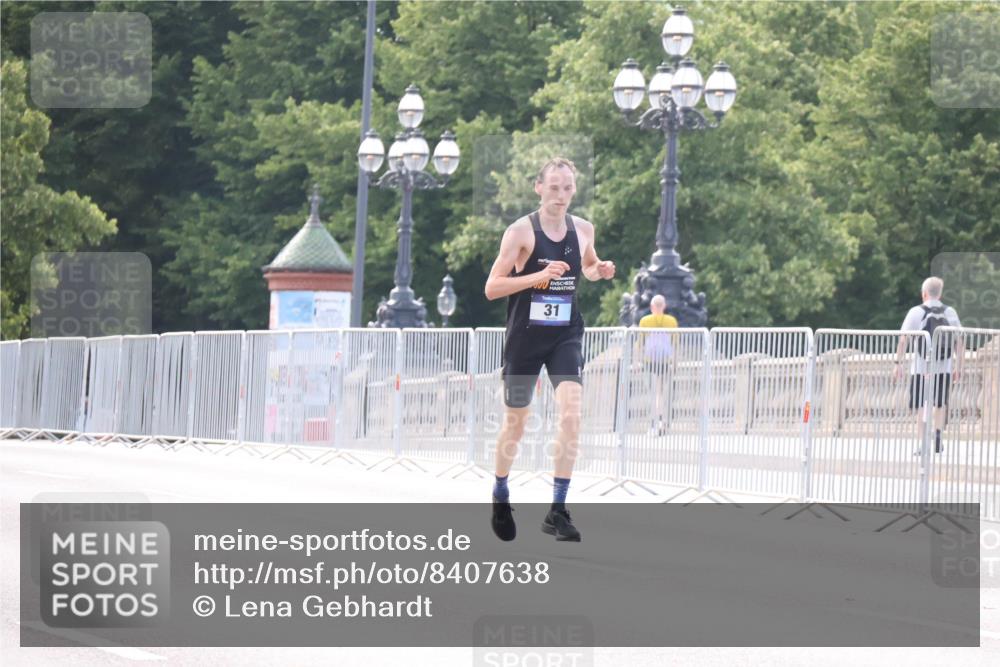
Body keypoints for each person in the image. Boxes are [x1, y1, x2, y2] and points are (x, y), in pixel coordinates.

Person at [484, 157, 616, 542]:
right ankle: (501, 491)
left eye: (568, 187)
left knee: (572, 413)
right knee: (516, 424)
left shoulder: (584, 229)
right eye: (554, 187)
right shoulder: (520, 232)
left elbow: (587, 267)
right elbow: (492, 287)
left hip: (565, 334)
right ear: (538, 188)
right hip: (525, 338)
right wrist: (537, 276)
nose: (562, 195)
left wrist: (600, 270)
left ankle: (558, 509)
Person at [894, 276, 964, 454]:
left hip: (920, 367)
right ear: (939, 294)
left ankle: (923, 443)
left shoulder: (915, 312)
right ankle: (938, 436)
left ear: (924, 293)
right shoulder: (950, 312)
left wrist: (898, 363)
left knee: (921, 404)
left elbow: (904, 340)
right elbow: (959, 342)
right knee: (940, 403)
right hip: (944, 367)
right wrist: (959, 367)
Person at [638, 294, 678, 435]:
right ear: (664, 306)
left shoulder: (645, 321)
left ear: (651, 307)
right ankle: (662, 420)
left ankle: (655, 422)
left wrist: (638, 360)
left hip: (650, 361)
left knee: (653, 392)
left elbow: (640, 343)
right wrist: (676, 361)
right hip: (665, 361)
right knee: (661, 392)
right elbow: (675, 344)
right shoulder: (671, 321)